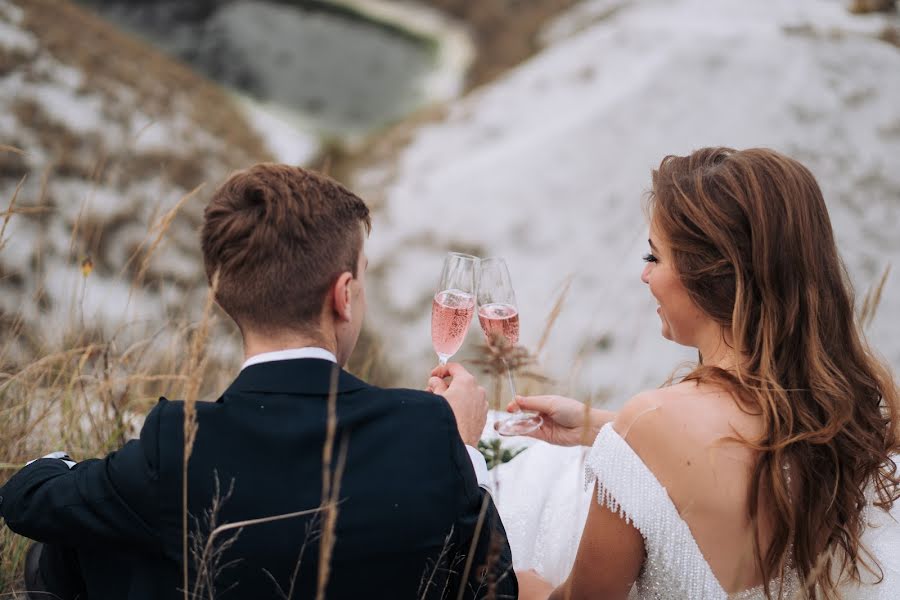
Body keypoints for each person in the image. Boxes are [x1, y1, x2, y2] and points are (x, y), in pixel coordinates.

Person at [0, 164, 517, 599]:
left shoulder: (173, 445)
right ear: (343, 295)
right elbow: (495, 586)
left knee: (74, 545)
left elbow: (26, 500)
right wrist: (464, 451)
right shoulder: (426, 430)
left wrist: (62, 464)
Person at [492, 147, 900, 599]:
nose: (645, 277)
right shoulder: (838, 411)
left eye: (654, 257)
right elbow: (748, 455)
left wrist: (517, 586)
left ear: (711, 274)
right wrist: (596, 426)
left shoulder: (651, 420)